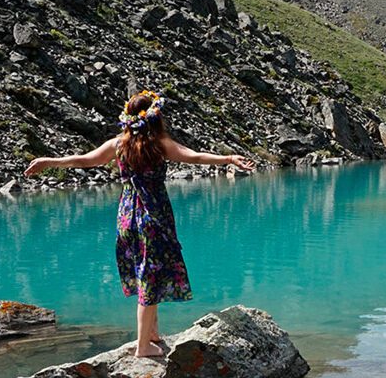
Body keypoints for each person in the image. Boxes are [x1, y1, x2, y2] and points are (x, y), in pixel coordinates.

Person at [24, 91, 255, 357]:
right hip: (152, 215)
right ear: (155, 118)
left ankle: (152, 334)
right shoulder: (160, 145)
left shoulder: (118, 145)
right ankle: (143, 346)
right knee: (150, 275)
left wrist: (48, 162)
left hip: (127, 215)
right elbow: (195, 156)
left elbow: (85, 160)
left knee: (144, 271)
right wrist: (228, 159)